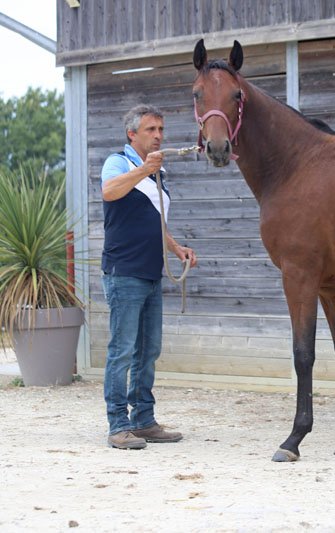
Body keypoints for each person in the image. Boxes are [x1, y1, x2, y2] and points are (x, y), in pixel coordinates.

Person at [100, 104, 198, 450]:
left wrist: (176, 248)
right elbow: (109, 191)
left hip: (150, 272)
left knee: (148, 350)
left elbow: (154, 220)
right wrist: (144, 170)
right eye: (150, 130)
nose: (158, 136)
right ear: (132, 134)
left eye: (161, 129)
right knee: (122, 351)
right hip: (124, 272)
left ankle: (143, 420)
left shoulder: (157, 172)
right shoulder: (118, 162)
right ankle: (118, 425)